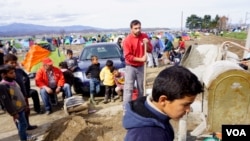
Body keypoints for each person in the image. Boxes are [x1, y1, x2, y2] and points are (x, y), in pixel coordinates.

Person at [123, 66, 204, 141]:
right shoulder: (149, 135)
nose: (188, 110)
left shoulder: (154, 116)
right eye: (185, 104)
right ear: (163, 100)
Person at [4, 54, 39, 130]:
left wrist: (26, 89)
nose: (14, 64)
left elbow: (26, 77)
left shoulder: (19, 70)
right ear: (5, 63)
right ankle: (22, 131)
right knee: (19, 115)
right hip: (14, 98)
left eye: (15, 62)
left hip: (23, 95)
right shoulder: (5, 75)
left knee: (26, 111)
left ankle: (27, 125)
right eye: (12, 63)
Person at [0, 65, 35, 141]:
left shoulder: (13, 81)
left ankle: (25, 136)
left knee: (23, 124)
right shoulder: (3, 86)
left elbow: (19, 94)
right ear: (4, 75)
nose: (14, 74)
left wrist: (25, 105)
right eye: (11, 73)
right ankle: (23, 139)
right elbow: (7, 102)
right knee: (23, 125)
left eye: (14, 72)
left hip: (21, 107)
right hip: (16, 110)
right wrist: (13, 113)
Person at [123, 19, 152, 109]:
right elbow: (128, 56)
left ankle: (140, 107)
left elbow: (150, 49)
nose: (138, 30)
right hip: (130, 67)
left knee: (141, 88)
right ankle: (126, 109)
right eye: (135, 28)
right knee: (128, 88)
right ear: (131, 29)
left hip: (141, 67)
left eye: (139, 28)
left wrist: (147, 44)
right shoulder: (127, 40)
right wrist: (141, 59)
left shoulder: (144, 36)